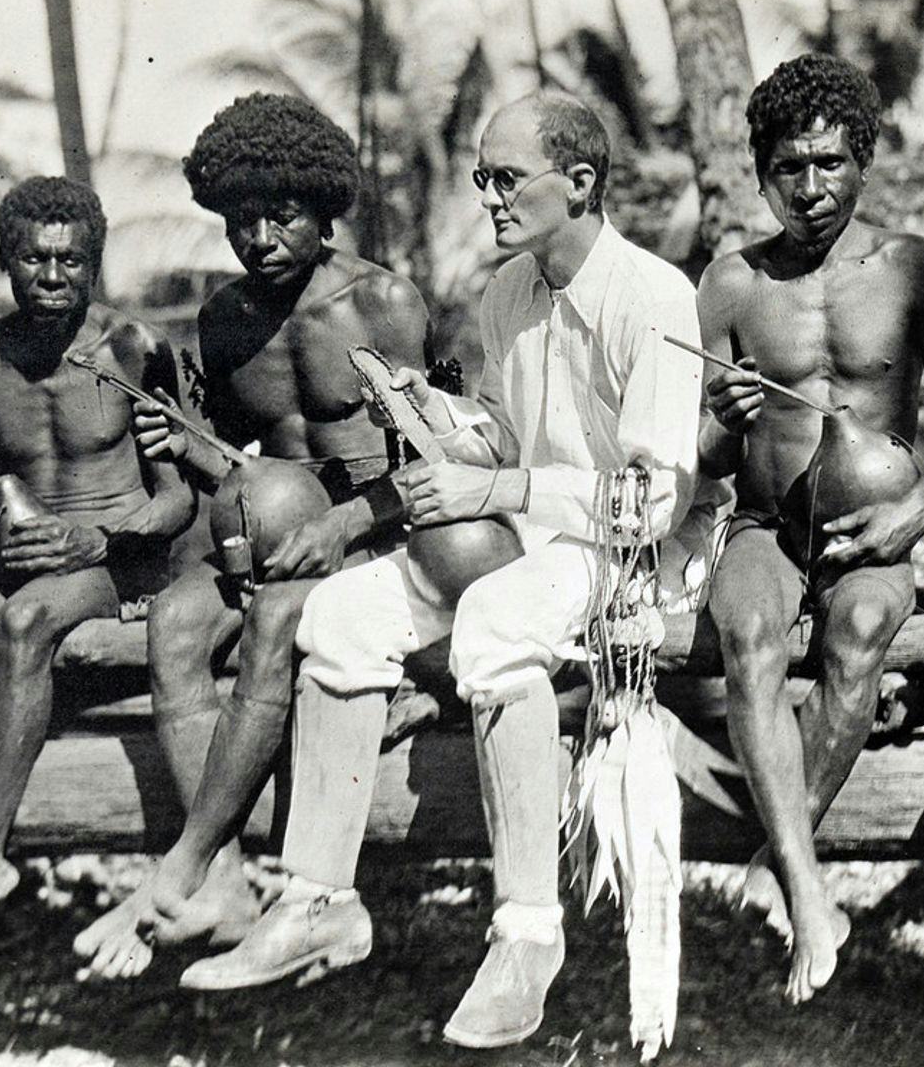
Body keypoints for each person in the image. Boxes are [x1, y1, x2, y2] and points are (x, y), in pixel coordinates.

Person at [173, 90, 704, 1051]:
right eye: (481, 179)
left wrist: (492, 491)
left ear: (581, 183)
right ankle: (318, 900)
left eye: (508, 178)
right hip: (529, 539)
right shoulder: (507, 293)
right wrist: (434, 418)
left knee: (495, 620)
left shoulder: (656, 295)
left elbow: (653, 506)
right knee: (333, 618)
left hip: (631, 564)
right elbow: (498, 430)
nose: (489, 199)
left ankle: (528, 935)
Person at [74, 93, 430, 979]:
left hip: (371, 532)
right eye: (242, 222)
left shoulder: (382, 302)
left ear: (324, 208)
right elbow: (232, 466)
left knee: (277, 623)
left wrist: (346, 523)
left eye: (283, 216)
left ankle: (185, 860)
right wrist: (173, 437)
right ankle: (224, 887)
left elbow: (436, 462)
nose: (261, 237)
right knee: (175, 627)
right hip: (270, 534)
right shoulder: (226, 320)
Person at [695, 53, 924, 1003]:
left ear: (862, 161)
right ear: (762, 173)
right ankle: (810, 894)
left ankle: (774, 867)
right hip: (763, 528)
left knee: (861, 633)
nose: (811, 190)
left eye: (829, 164)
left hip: (878, 522)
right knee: (747, 639)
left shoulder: (910, 269)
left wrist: (914, 516)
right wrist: (723, 422)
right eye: (789, 169)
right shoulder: (733, 283)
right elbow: (696, 454)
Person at [0, 176, 195, 950]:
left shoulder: (135, 349)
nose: (52, 278)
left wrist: (98, 541)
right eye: (34, 260)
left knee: (26, 619)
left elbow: (179, 500)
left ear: (93, 263)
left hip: (115, 557)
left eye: (71, 261)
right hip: (19, 550)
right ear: (6, 260)